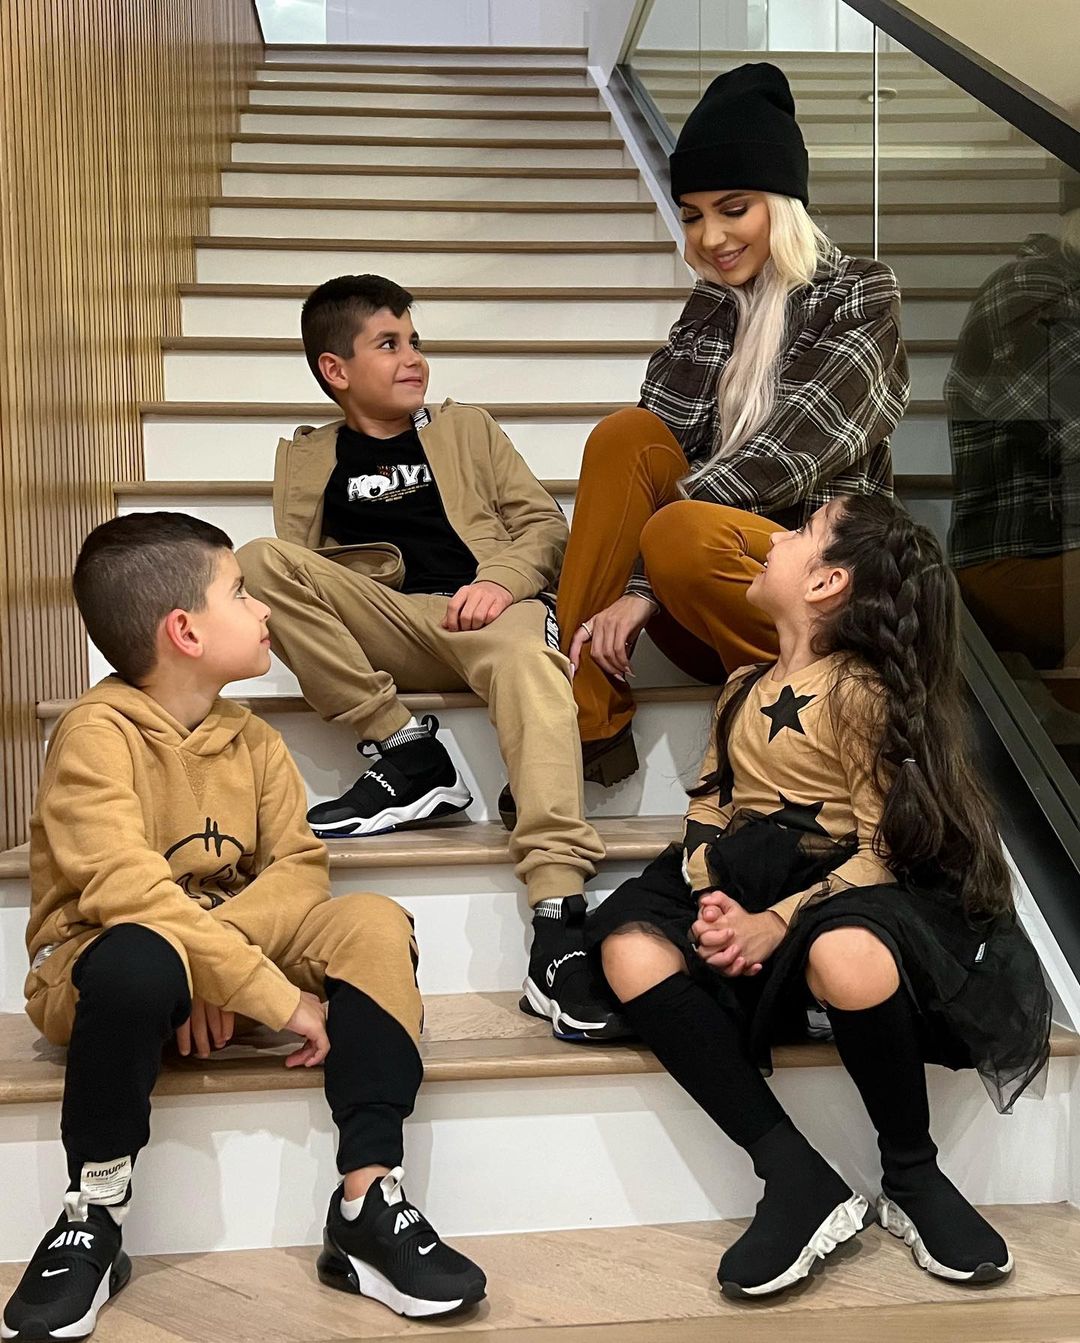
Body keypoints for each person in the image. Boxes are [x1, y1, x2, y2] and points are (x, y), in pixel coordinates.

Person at [2, 513, 486, 1342]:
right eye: (241, 592)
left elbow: (299, 868)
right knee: (142, 957)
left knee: (371, 921)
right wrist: (268, 993)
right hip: (99, 965)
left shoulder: (252, 740)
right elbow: (129, 893)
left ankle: (368, 1199)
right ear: (185, 631)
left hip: (214, 953)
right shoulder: (93, 736)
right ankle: (93, 1210)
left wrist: (215, 968)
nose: (263, 608)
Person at [586, 494, 1051, 1299]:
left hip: (838, 885)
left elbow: (883, 847)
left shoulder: (862, 693)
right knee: (627, 947)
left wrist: (774, 922)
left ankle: (912, 1172)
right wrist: (708, 892)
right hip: (739, 875)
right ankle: (793, 1172)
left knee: (848, 952)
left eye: (799, 531)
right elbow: (711, 803)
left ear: (827, 582)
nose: (772, 538)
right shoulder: (742, 685)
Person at [237, 274, 621, 1043]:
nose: (413, 357)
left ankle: (557, 918)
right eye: (389, 343)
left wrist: (499, 579)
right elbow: (303, 585)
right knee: (257, 562)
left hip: (492, 616)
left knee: (528, 664)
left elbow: (546, 529)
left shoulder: (466, 428)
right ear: (335, 369)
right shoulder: (309, 459)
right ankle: (407, 747)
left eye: (414, 340)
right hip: (390, 624)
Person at [556, 63, 909, 787]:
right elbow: (657, 445)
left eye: (733, 208)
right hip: (703, 597)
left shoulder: (860, 293)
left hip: (821, 603)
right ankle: (584, 720)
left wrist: (643, 585)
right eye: (691, 215)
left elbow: (791, 451)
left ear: (782, 204)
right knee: (624, 437)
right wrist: (649, 572)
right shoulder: (710, 308)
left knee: (680, 532)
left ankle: (825, 712)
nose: (709, 235)